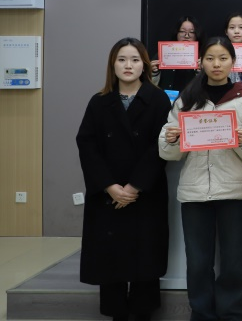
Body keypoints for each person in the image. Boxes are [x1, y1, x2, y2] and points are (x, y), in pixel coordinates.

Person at [159, 36, 242, 321]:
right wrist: (171, 139)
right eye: (210, 58)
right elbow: (168, 152)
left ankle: (232, 314)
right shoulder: (186, 99)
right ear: (201, 62)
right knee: (198, 262)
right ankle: (202, 314)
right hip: (194, 192)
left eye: (222, 58)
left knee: (233, 262)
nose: (216, 64)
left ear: (233, 62)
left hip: (233, 192)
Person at [76, 38, 171, 321]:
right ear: (112, 65)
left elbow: (160, 145)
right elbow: (87, 145)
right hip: (108, 193)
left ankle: (143, 313)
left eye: (134, 59)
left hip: (145, 192)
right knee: (110, 257)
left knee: (145, 256)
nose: (128, 65)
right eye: (121, 59)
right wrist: (110, 186)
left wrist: (133, 186)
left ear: (145, 65)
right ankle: (116, 313)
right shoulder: (99, 101)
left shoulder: (158, 99)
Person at [151, 16, 203, 93]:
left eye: (191, 32)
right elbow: (150, 86)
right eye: (182, 31)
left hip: (190, 98)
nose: (186, 35)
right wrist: (153, 73)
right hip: (165, 98)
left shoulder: (203, 56)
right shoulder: (163, 53)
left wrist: (201, 72)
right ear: (176, 33)